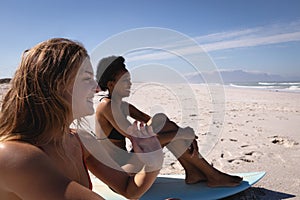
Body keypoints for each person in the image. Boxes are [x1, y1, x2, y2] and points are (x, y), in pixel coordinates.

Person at [0, 38, 163, 200]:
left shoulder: (81, 140)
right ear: (55, 85)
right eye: (86, 78)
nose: (97, 88)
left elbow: (129, 189)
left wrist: (153, 164)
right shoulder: (13, 155)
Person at [95, 56, 243, 187]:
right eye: (125, 81)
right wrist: (182, 134)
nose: (130, 84)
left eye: (130, 80)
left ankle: (195, 173)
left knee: (161, 119)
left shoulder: (122, 105)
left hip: (130, 163)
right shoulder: (106, 106)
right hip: (120, 173)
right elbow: (140, 141)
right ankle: (209, 175)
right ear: (111, 84)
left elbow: (159, 122)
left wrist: (180, 133)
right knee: (172, 131)